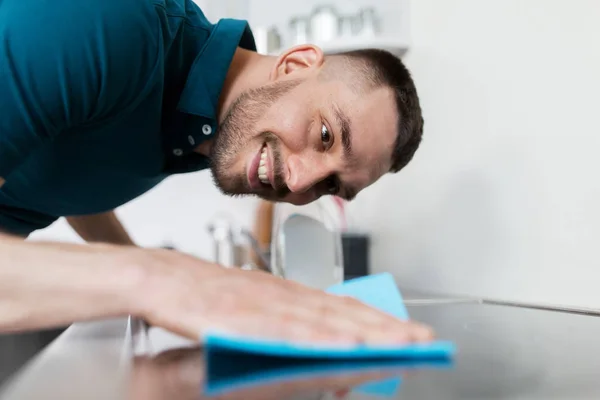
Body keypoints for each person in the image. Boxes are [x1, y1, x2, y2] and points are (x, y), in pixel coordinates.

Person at [0, 0, 429, 346]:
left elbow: (74, 171)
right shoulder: (110, 22)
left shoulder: (202, 132)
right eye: (324, 134)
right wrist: (153, 281)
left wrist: (140, 264)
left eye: (331, 185)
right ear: (296, 63)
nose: (300, 183)